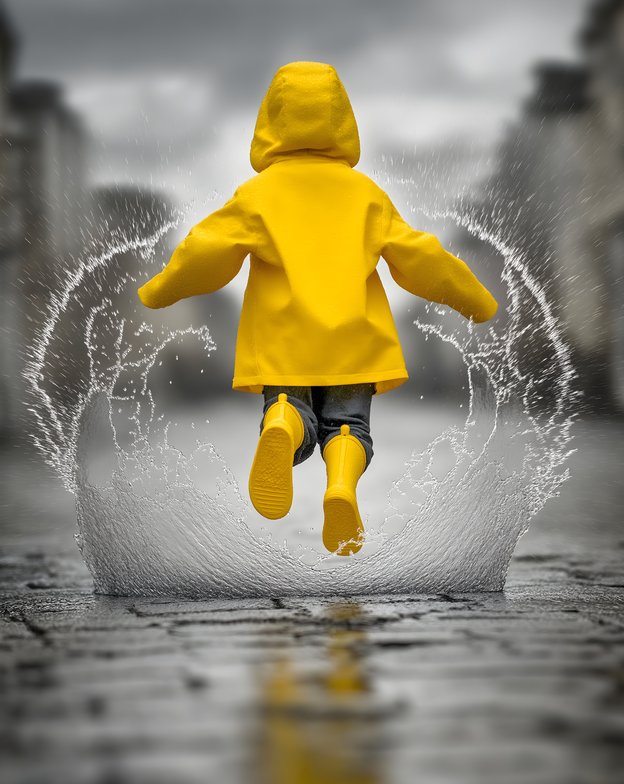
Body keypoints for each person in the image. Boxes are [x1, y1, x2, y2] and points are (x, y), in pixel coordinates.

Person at [138, 61, 498, 556]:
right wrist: (473, 300)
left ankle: (284, 421)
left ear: (271, 121)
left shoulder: (258, 195)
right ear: (342, 121)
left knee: (293, 416)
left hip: (285, 343)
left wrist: (163, 288)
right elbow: (420, 256)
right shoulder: (365, 194)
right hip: (354, 342)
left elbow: (207, 251)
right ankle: (341, 487)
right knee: (349, 429)